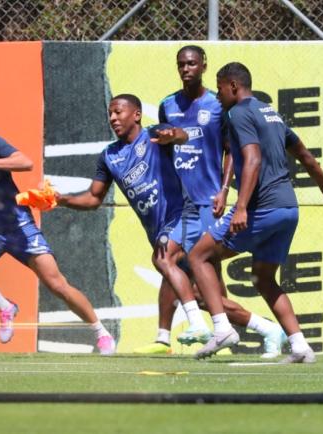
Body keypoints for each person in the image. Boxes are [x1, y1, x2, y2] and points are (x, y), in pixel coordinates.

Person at [0, 99, 116, 354]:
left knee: (57, 285)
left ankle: (101, 333)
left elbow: (25, 162)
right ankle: (5, 307)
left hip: (18, 226)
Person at [135, 45, 287, 358]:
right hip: (180, 204)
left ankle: (249, 329)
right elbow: (166, 146)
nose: (186, 69)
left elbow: (231, 150)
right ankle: (173, 336)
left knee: (202, 281)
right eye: (181, 64)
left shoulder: (217, 105)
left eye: (191, 63)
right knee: (171, 263)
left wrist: (224, 189)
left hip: (208, 202)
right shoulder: (167, 104)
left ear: (203, 66)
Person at [189, 62, 323, 362]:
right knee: (263, 278)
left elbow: (253, 159)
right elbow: (305, 156)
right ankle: (300, 346)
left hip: (263, 207)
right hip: (288, 209)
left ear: (233, 86)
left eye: (220, 88)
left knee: (198, 256)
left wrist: (241, 207)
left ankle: (222, 328)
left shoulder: (238, 113)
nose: (218, 96)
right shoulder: (271, 113)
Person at [57, 94, 216, 342]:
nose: (112, 118)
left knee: (162, 260)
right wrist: (60, 199)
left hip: (183, 216)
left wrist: (174, 135)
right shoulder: (109, 156)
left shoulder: (154, 135)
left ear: (137, 115)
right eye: (110, 113)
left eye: (118, 112)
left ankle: (196, 325)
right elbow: (93, 198)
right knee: (200, 295)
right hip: (158, 230)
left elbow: (181, 135)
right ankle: (263, 328)